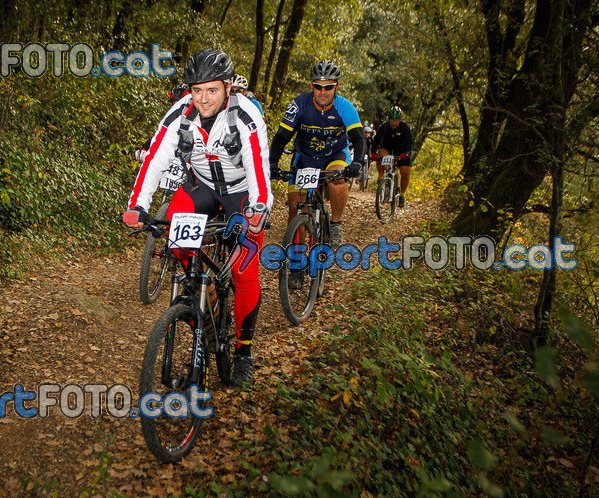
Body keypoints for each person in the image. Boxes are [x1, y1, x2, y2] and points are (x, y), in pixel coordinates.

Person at [123, 49, 272, 388]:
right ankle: (202, 301)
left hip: (241, 192)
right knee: (176, 239)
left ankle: (244, 353)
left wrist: (258, 209)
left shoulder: (246, 115)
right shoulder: (180, 113)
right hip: (201, 186)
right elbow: (155, 159)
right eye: (196, 90)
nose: (203, 99)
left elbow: (259, 168)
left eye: (212, 90)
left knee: (243, 269)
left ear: (227, 88)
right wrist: (138, 205)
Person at [269, 60, 365, 253]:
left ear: (336, 87)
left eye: (328, 87)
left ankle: (336, 223)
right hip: (305, 157)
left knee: (336, 177)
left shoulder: (344, 107)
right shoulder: (299, 105)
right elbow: (281, 137)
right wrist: (272, 162)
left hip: (334, 155)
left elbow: (358, 137)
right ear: (311, 85)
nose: (323, 91)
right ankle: (295, 259)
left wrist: (358, 162)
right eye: (318, 86)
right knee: (296, 207)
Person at [373, 106, 414, 208]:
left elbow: (410, 142)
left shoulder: (405, 127)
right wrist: (373, 153)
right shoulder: (384, 127)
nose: (393, 122)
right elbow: (375, 141)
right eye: (391, 120)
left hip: (402, 151)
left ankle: (402, 195)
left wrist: (407, 153)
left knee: (405, 171)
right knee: (380, 155)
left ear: (399, 120)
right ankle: (381, 177)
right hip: (388, 149)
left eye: (395, 120)